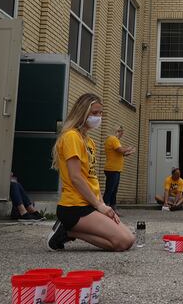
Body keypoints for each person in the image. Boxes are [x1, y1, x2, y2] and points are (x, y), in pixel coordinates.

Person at [47, 93, 135, 252]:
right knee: (122, 242)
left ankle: (69, 231)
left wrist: (102, 204)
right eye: (94, 113)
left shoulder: (89, 141)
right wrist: (99, 206)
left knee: (129, 239)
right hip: (74, 206)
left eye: (100, 113)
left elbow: (92, 177)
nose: (98, 117)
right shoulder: (71, 137)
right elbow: (76, 177)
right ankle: (68, 230)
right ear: (82, 112)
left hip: (91, 204)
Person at [103, 125, 135, 214]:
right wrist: (128, 148)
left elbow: (119, 153)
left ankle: (113, 208)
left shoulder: (113, 140)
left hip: (116, 169)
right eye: (121, 132)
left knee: (114, 190)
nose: (122, 134)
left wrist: (128, 152)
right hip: (112, 169)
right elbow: (120, 150)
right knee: (110, 190)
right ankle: (105, 208)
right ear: (117, 131)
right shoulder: (113, 139)